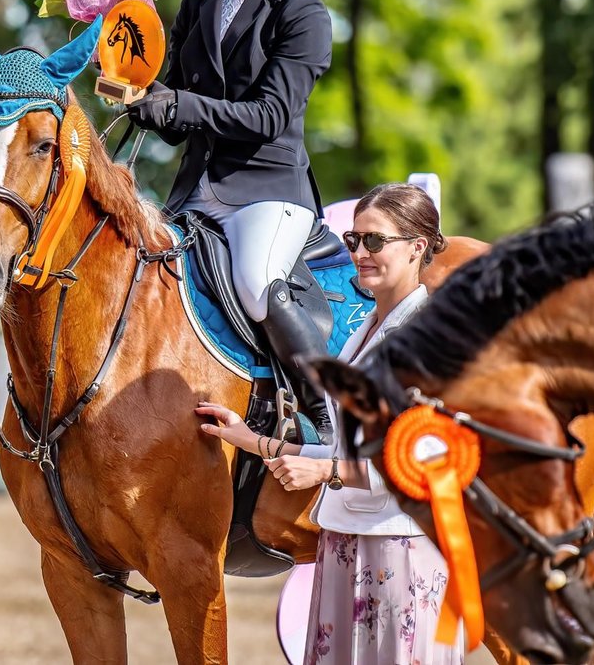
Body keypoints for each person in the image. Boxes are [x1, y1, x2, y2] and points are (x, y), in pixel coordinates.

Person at [196, 183, 464, 665]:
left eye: (375, 242)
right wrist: (250, 439)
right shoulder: (362, 334)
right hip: (343, 543)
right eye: (353, 241)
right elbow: (348, 448)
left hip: (399, 549)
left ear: (418, 247)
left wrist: (325, 474)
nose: (359, 254)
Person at [127, 0, 335, 434]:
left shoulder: (303, 12)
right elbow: (175, 119)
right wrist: (138, 91)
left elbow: (269, 115)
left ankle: (327, 415)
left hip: (268, 191)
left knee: (255, 279)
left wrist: (179, 105)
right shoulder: (197, 5)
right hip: (195, 191)